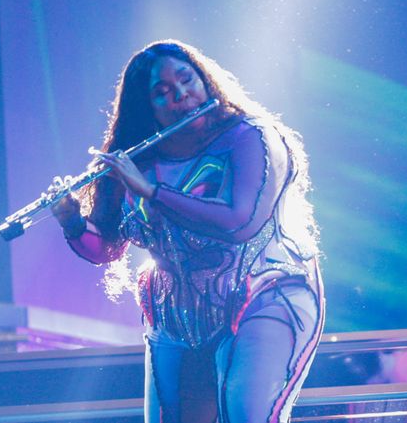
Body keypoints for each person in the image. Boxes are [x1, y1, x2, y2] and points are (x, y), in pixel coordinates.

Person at [51, 40, 325, 423]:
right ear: (146, 108)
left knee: (245, 413)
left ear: (205, 79)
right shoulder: (136, 159)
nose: (182, 95)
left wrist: (151, 192)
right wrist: (72, 221)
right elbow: (107, 248)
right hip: (175, 313)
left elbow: (240, 222)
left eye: (186, 79)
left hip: (265, 292)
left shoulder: (253, 138)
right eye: (162, 93)